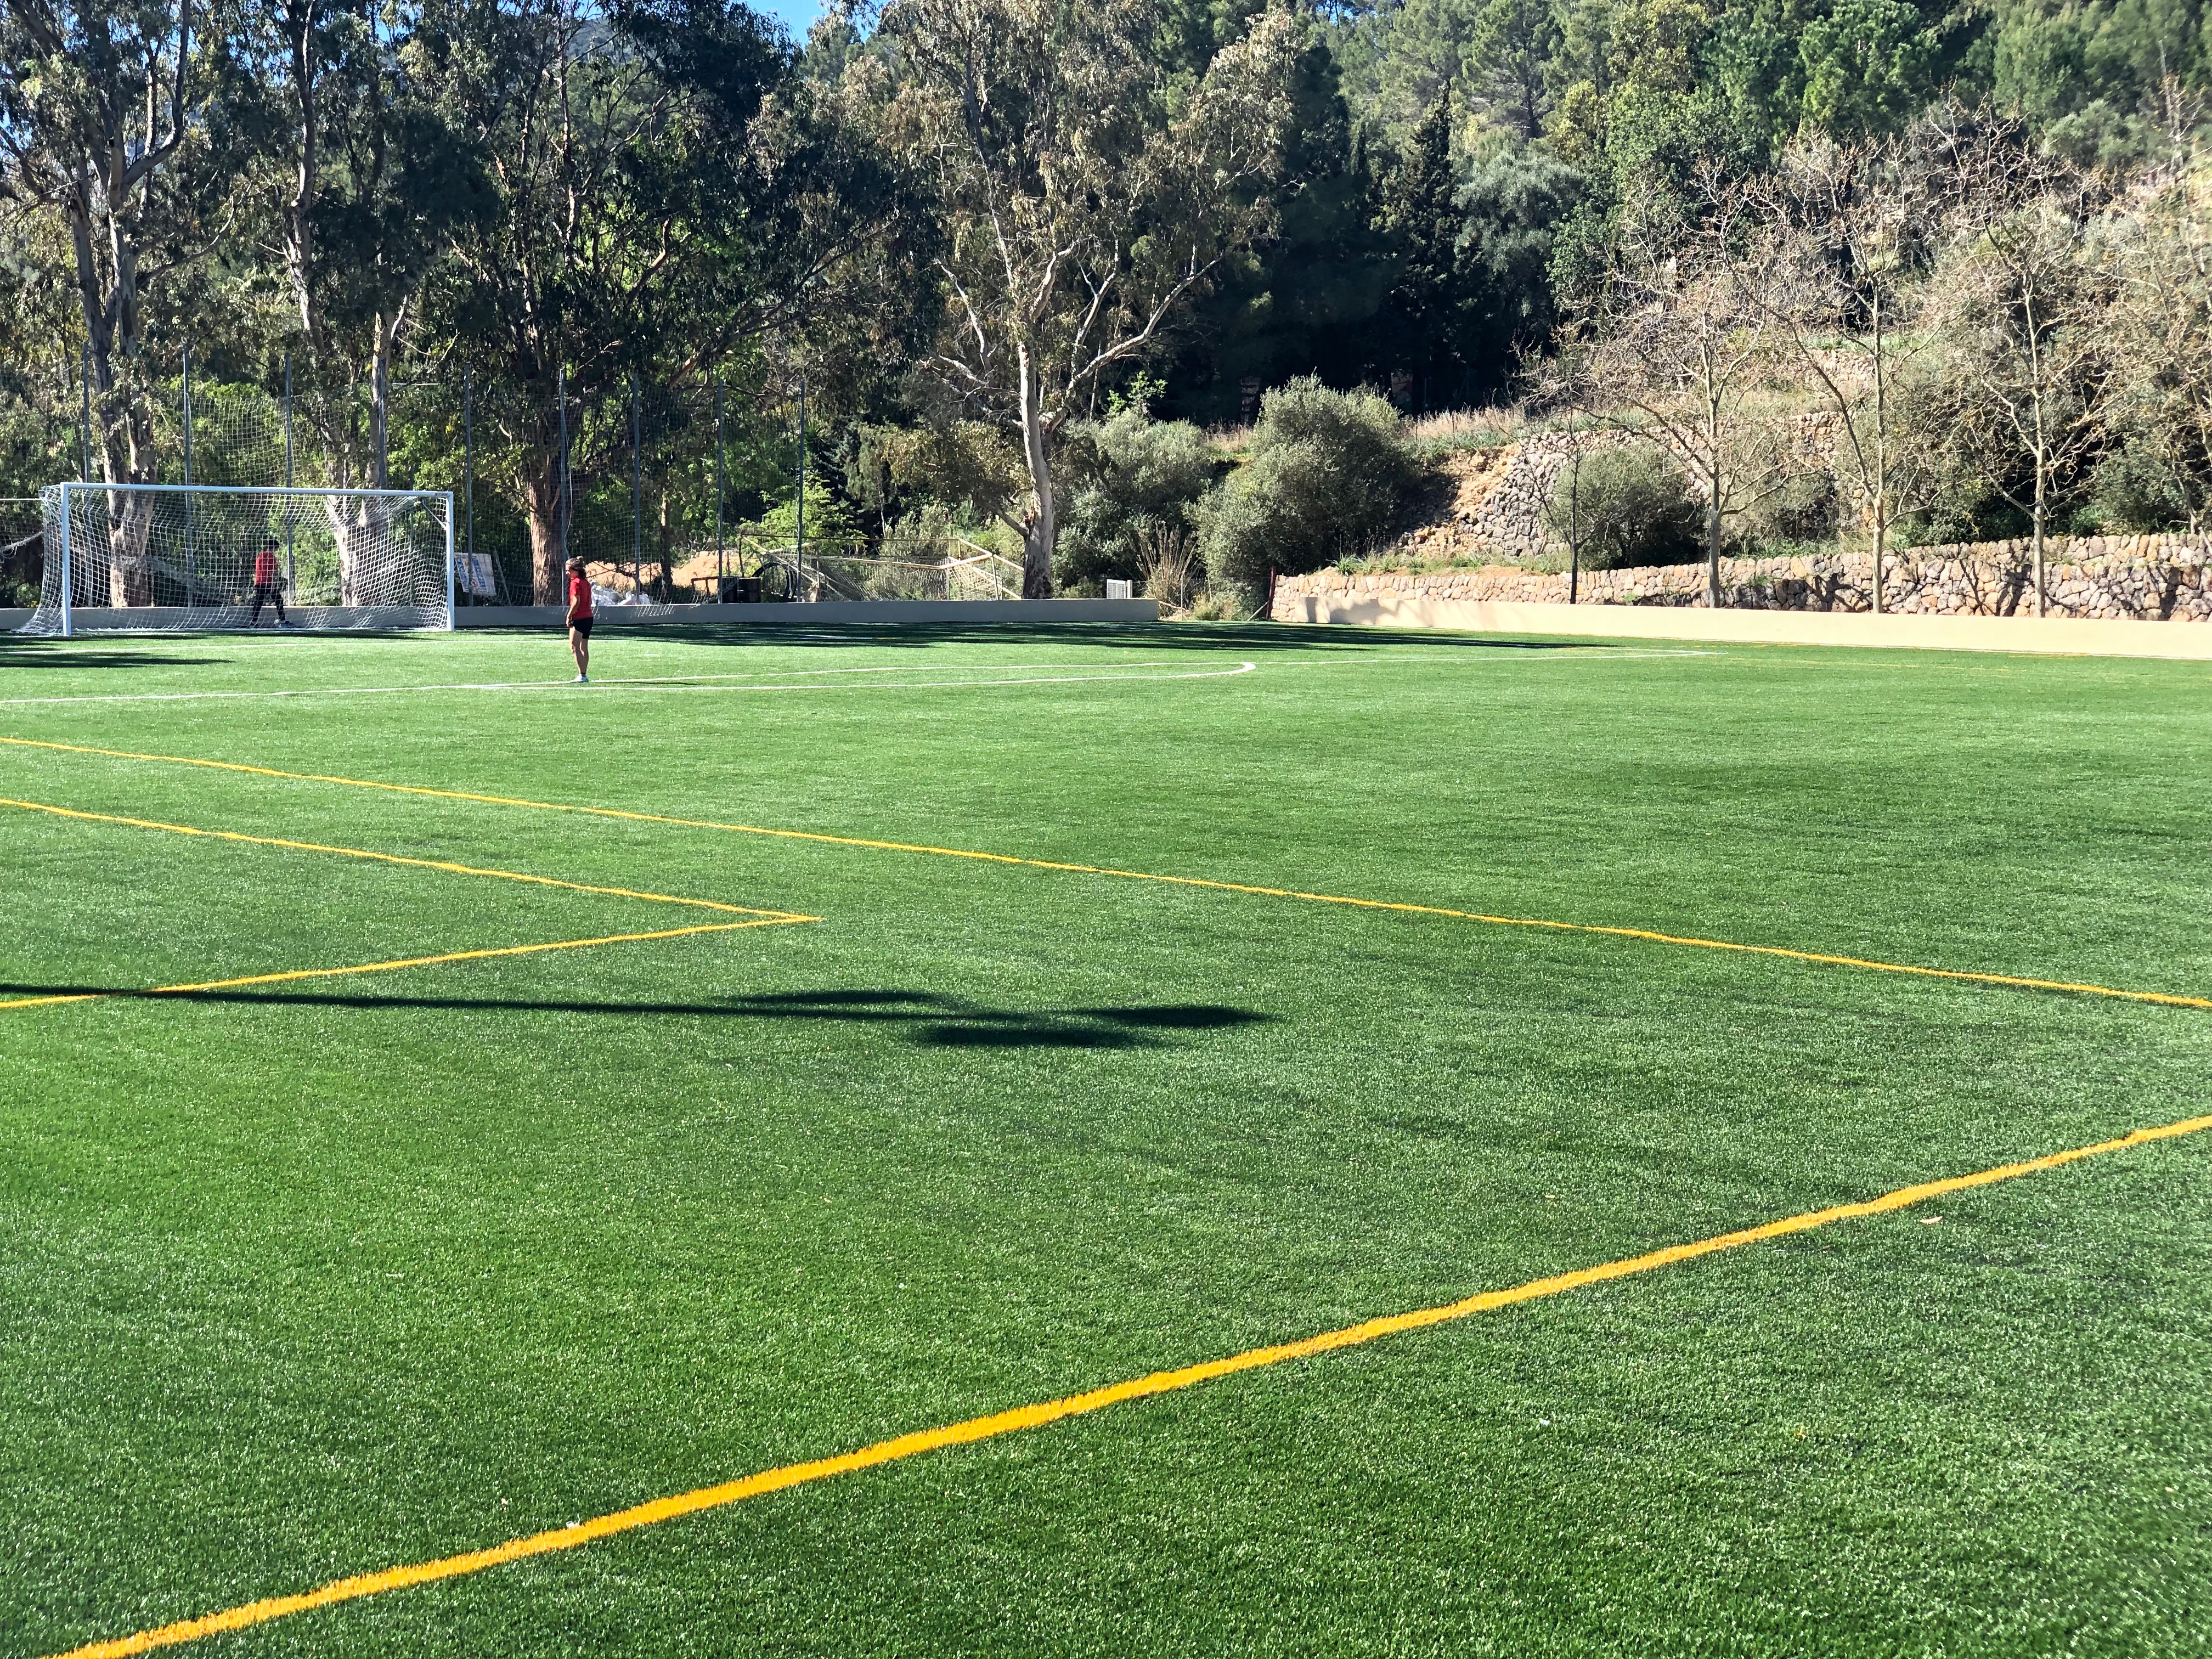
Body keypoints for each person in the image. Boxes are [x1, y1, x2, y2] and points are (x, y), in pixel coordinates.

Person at [565, 556, 593, 682]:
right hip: (589, 617)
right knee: (584, 647)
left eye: (568, 571)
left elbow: (576, 601)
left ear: (575, 570)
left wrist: (569, 615)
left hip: (580, 618)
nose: (567, 573)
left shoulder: (575, 583)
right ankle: (584, 673)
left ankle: (582, 675)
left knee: (574, 647)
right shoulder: (586, 583)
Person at [249, 537, 287, 626]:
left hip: (260, 582)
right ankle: (283, 622)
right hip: (268, 583)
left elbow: (258, 570)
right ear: (274, 548)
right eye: (276, 549)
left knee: (258, 602)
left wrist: (256, 582)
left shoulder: (260, 556)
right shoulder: (271, 557)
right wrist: (274, 585)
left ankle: (254, 623)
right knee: (279, 600)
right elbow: (272, 572)